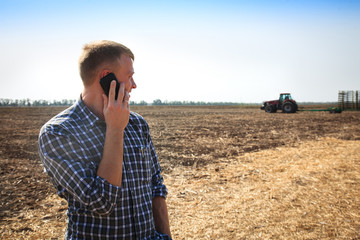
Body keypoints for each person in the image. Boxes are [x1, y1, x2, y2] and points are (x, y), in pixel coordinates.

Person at [38, 40, 172, 239]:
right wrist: (115, 129)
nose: (134, 85)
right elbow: (102, 202)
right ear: (106, 78)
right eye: (129, 76)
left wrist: (165, 237)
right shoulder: (58, 133)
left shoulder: (137, 124)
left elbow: (155, 186)